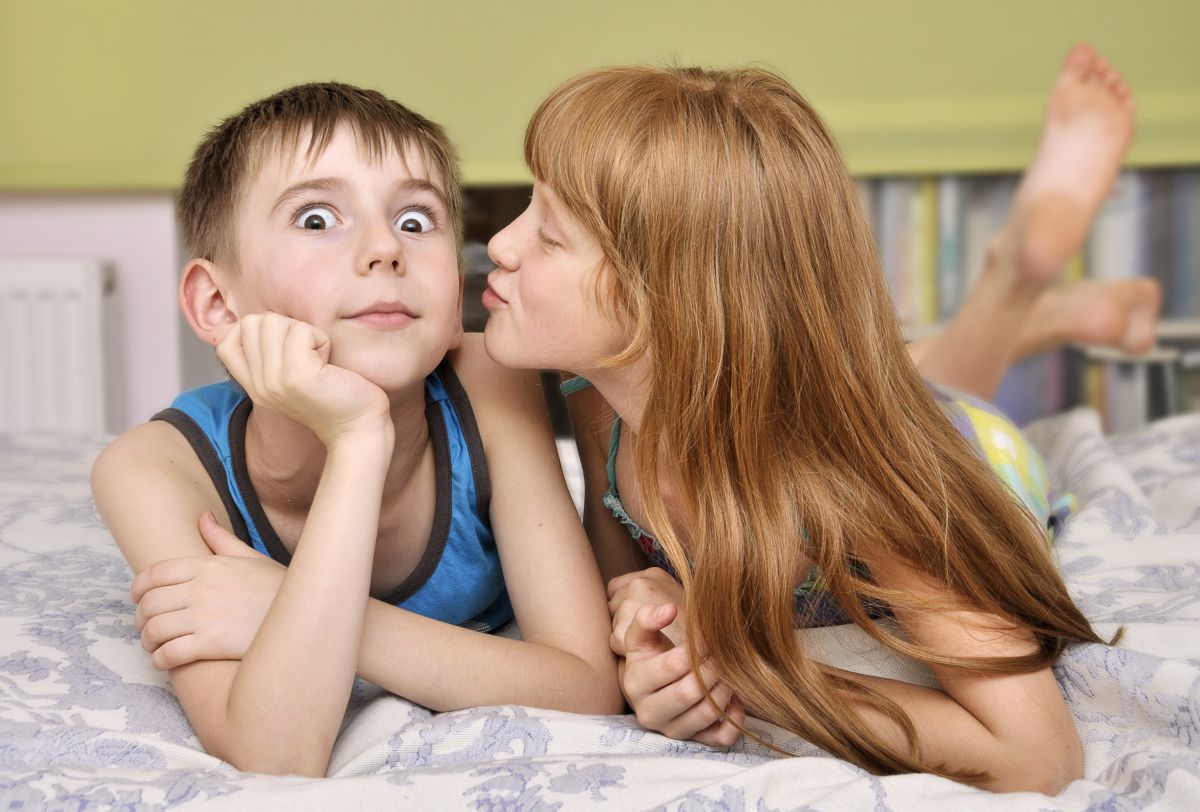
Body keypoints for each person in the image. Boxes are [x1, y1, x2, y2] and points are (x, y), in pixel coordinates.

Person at [479, 44, 1135, 793]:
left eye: (550, 235)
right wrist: (651, 631)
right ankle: (1030, 303)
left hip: (969, 449)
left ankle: (1016, 278)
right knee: (873, 370)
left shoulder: (862, 494)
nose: (499, 244)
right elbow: (625, 590)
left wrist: (743, 668)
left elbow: (1040, 758)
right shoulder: (596, 395)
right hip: (776, 398)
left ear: (670, 302)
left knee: (909, 392)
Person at [90, 83, 622, 778]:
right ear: (217, 302)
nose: (383, 250)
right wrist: (357, 437)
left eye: (415, 220)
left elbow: (586, 687)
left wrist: (287, 607)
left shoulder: (489, 380)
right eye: (316, 218)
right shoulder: (153, 469)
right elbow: (275, 754)